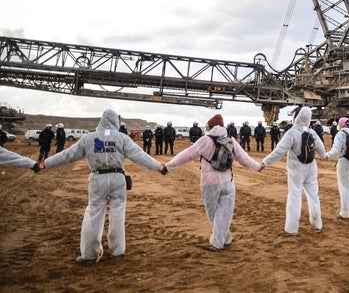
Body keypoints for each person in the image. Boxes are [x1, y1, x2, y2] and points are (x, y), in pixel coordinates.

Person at [38, 109, 166, 265]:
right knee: (118, 214)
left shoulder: (89, 138)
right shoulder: (122, 138)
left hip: (97, 177)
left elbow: (67, 155)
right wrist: (158, 167)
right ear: (116, 121)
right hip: (118, 177)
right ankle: (118, 251)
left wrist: (46, 163)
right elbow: (139, 155)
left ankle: (89, 255)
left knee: (94, 214)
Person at [164, 114, 263, 251]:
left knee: (214, 214)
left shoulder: (205, 140)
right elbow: (244, 158)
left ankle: (217, 243)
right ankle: (225, 238)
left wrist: (168, 167)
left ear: (209, 127)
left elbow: (186, 155)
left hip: (209, 183)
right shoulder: (231, 140)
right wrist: (258, 167)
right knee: (225, 213)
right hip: (228, 181)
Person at [261, 106, 327, 235]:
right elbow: (322, 150)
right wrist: (324, 156)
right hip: (311, 167)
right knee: (314, 195)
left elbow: (279, 151)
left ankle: (291, 228)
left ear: (296, 117)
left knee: (294, 196)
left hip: (296, 168)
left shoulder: (292, 132)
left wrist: (266, 162)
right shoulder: (312, 133)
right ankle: (317, 223)